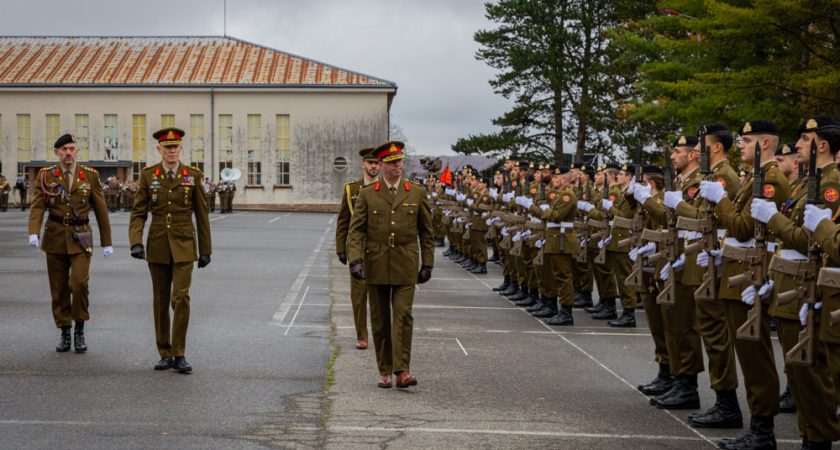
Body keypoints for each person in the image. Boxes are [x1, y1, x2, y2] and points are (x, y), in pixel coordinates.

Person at [346, 140, 434, 389]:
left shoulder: (416, 192)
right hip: (376, 263)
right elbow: (356, 232)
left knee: (403, 316)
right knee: (380, 319)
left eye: (401, 162)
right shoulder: (367, 194)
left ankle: (402, 370)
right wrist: (355, 260)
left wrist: (428, 263)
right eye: (394, 163)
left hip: (406, 263)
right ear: (382, 165)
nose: (399, 166)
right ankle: (384, 370)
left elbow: (427, 232)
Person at [129, 127, 212, 374]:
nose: (172, 152)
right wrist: (136, 241)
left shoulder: (192, 175)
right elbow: (138, 212)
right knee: (161, 300)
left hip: (185, 244)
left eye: (175, 147)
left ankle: (180, 353)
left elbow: (202, 214)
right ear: (159, 150)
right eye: (167, 148)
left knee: (181, 297)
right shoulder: (148, 175)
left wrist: (206, 249)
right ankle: (164, 352)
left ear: (181, 149)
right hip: (157, 244)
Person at [27, 133, 112, 353]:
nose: (68, 153)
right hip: (54, 237)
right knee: (59, 288)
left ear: (76, 151)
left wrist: (107, 241)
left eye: (72, 149)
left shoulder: (90, 175)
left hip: (81, 238)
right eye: (64, 149)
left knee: (79, 283)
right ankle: (65, 330)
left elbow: (101, 210)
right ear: (56, 152)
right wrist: (33, 232)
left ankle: (80, 329)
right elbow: (38, 205)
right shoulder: (46, 176)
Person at [335, 147, 380, 350]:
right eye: (370, 163)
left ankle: (380, 332)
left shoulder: (386, 188)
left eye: (377, 163)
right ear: (363, 164)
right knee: (359, 294)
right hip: (358, 248)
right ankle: (362, 335)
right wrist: (340, 247)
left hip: (380, 247)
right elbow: (343, 221)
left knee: (379, 294)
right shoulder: (351, 190)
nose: (374, 166)